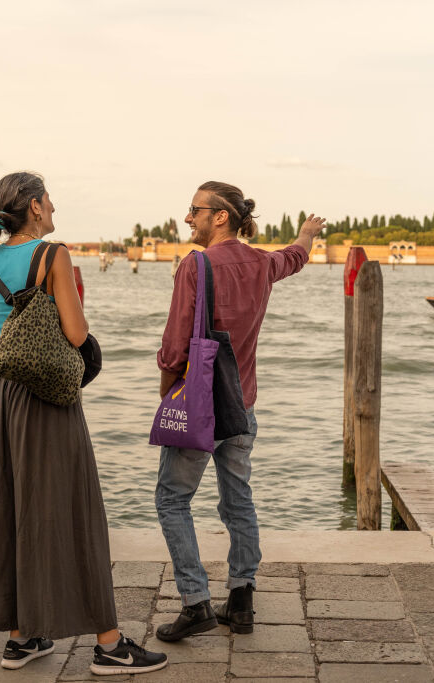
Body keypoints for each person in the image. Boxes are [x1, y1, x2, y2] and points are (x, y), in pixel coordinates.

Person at [0, 171, 167, 675]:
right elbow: (76, 331)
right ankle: (108, 644)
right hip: (45, 401)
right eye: (49, 200)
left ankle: (22, 637)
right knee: (74, 509)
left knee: (10, 511)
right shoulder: (53, 255)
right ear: (35, 206)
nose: (53, 206)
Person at [154, 181, 325, 642]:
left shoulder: (196, 265)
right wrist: (307, 232)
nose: (188, 218)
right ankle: (242, 599)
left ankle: (195, 603)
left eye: (195, 210)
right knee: (238, 500)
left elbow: (173, 347)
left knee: (171, 500)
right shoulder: (262, 263)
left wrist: (168, 392)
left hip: (201, 403)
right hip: (242, 403)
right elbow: (296, 255)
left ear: (221, 216)